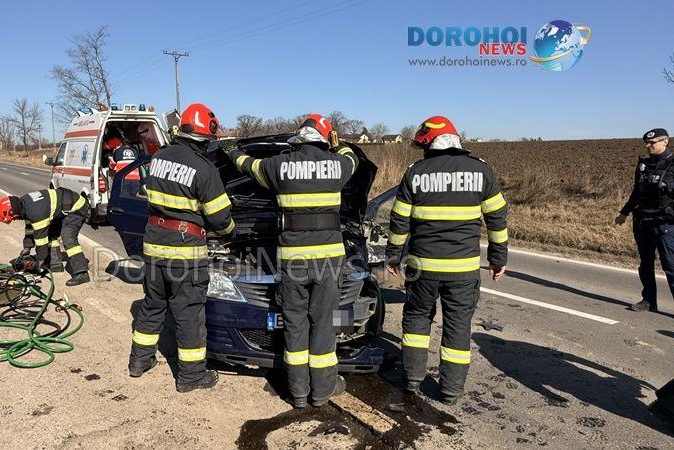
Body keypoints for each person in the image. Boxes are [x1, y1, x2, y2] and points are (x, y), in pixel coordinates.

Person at [221, 114, 359, 408]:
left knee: (294, 324)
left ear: (299, 138)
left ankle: (298, 393)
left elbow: (248, 165)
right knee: (323, 323)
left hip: (293, 260)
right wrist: (339, 144)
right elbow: (353, 158)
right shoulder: (338, 164)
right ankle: (321, 392)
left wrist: (232, 151)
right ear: (324, 139)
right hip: (329, 261)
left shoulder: (278, 165)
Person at [385, 116, 508, 405]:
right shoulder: (481, 170)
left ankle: (412, 380)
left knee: (416, 319)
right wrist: (497, 259)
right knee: (458, 326)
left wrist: (393, 256)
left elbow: (399, 220)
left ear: (429, 144)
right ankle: (450, 392)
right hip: (463, 271)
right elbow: (497, 219)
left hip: (422, 269)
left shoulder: (415, 173)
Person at [129, 103, 235, 393]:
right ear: (205, 138)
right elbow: (220, 218)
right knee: (188, 314)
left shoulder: (158, 158)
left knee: (153, 305)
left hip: (154, 245)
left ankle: (138, 362)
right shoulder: (204, 168)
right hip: (185, 252)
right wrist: (231, 233)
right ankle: (191, 377)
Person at [615, 128, 674, 313]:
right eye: (646, 143)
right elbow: (636, 192)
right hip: (643, 222)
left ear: (665, 142)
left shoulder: (672, 164)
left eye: (652, 143)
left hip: (664, 223)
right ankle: (648, 301)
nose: (648, 146)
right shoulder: (644, 165)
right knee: (645, 264)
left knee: (670, 266)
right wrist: (624, 213)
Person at [0, 187, 91, 286]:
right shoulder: (24, 205)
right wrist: (27, 248)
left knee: (68, 237)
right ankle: (55, 264)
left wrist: (40, 261)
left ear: (12, 212)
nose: (15, 220)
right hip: (63, 208)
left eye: (13, 219)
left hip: (77, 207)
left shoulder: (35, 212)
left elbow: (41, 240)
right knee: (51, 234)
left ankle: (82, 273)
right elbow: (30, 229)